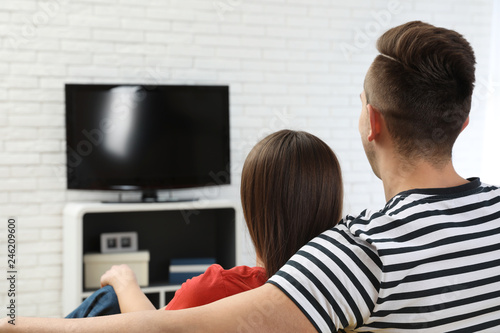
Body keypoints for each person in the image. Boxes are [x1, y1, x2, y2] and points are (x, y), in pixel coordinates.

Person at [2, 20, 500, 332]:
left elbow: (164, 331)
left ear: (372, 123)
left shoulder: (361, 253)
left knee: (102, 300)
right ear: (462, 122)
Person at [66, 129, 343, 316]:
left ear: (254, 206)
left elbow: (152, 328)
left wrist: (125, 281)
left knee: (108, 301)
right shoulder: (345, 290)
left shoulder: (219, 289)